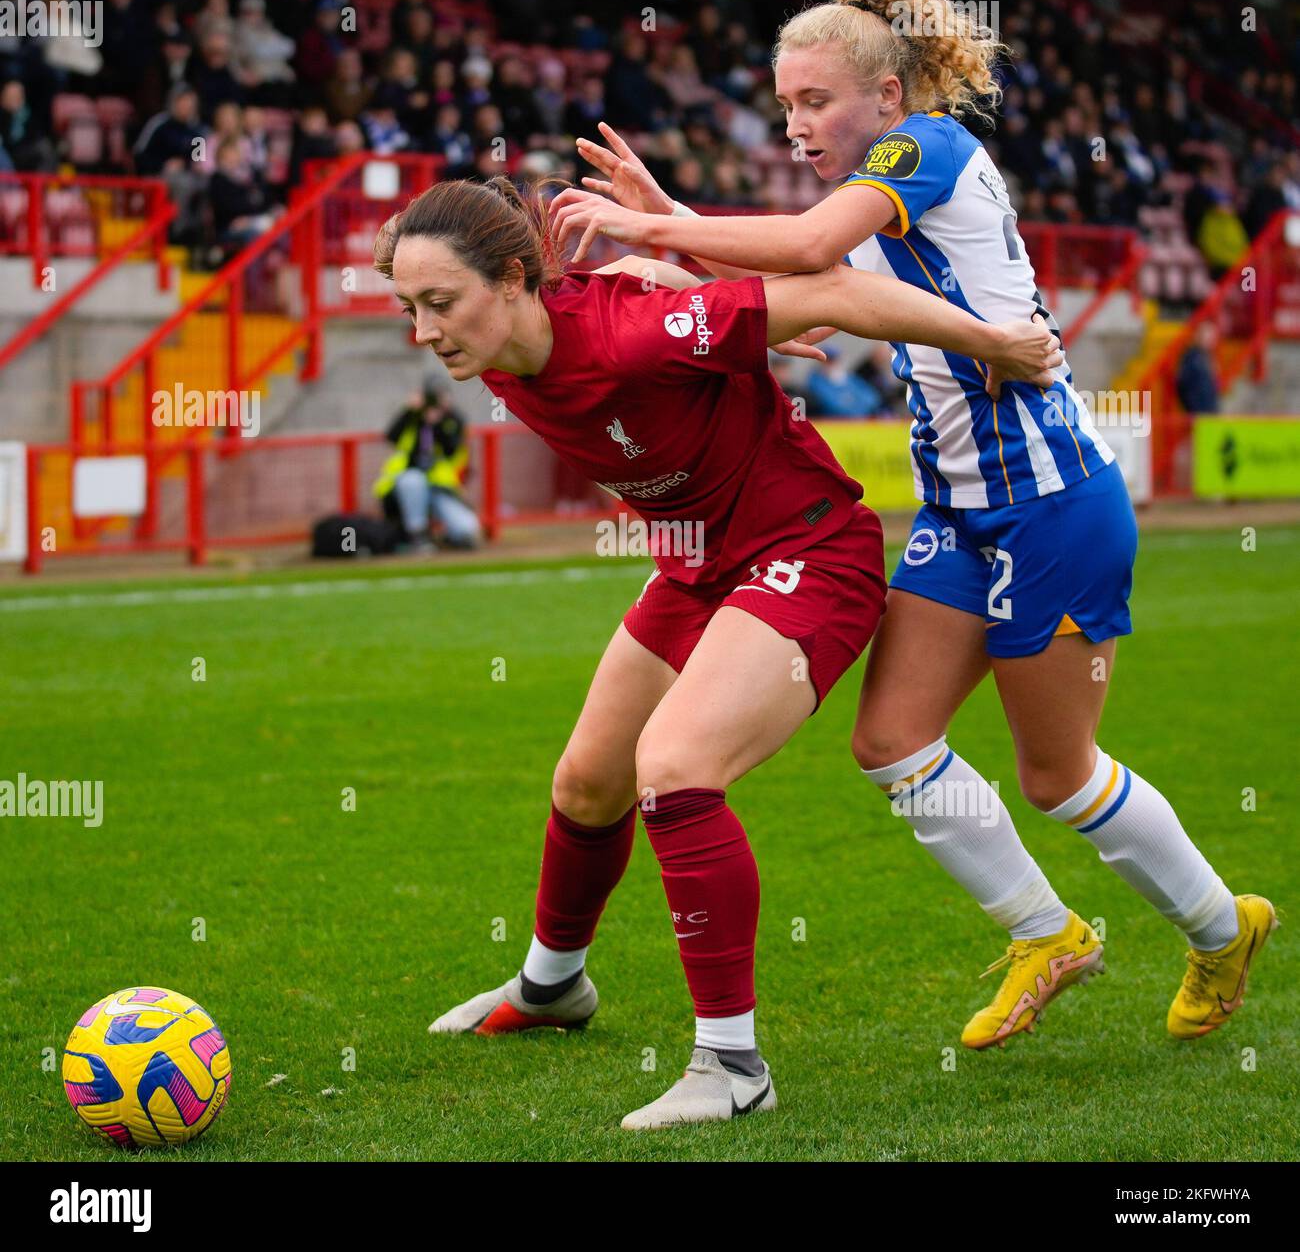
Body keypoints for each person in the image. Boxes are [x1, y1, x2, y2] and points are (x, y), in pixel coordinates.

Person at [549, 0, 1276, 1052]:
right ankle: (1048, 933)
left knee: (1054, 773)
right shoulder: (886, 185)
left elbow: (802, 252)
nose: (795, 123)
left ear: (886, 98)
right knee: (890, 740)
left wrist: (656, 231)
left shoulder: (924, 148)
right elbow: (803, 278)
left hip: (1050, 505)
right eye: (784, 103)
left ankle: (1223, 928)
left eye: (815, 101)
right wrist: (682, 220)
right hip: (958, 508)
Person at [380, 176, 1058, 1129]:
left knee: (677, 769)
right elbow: (671, 307)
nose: (424, 331)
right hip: (699, 567)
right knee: (587, 785)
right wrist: (681, 267)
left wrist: (999, 341)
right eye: (409, 308)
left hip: (809, 552)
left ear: (511, 279)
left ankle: (732, 1064)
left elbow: (827, 287)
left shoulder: (628, 331)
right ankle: (551, 986)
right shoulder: (506, 344)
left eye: (439, 304)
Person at [374, 377, 481, 551]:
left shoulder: (451, 420)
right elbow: (391, 436)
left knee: (466, 529)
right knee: (414, 480)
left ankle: (449, 537)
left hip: (438, 487)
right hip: (406, 484)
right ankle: (417, 534)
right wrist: (410, 410)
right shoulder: (413, 417)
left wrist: (439, 422)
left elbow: (451, 449)